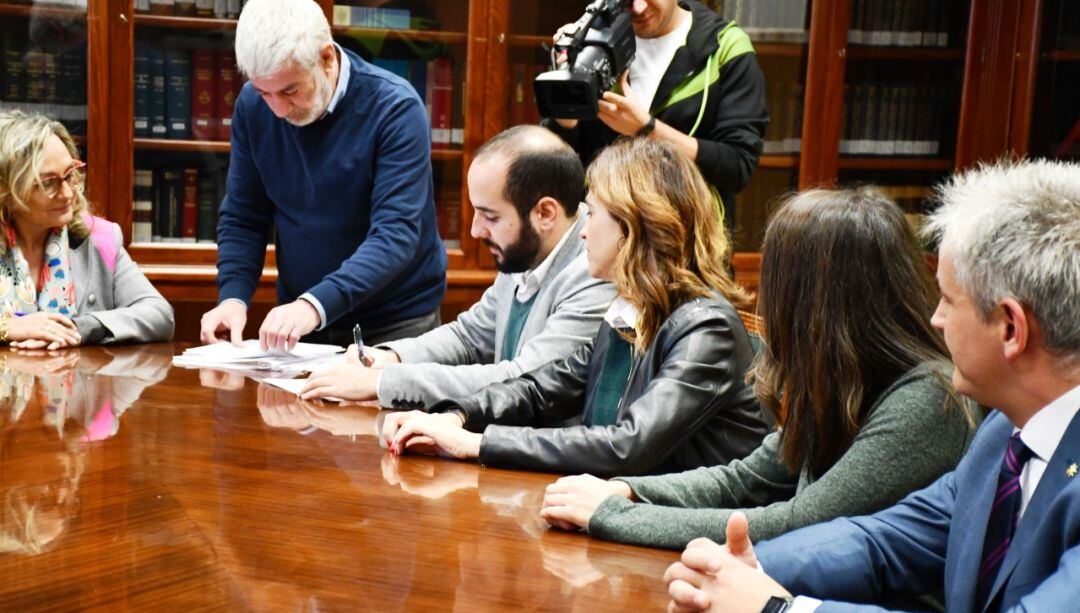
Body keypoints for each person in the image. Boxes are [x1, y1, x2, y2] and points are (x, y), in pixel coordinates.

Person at [663, 159, 1080, 613]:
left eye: (947, 299)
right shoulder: (1003, 433)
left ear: (1011, 328)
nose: (934, 319)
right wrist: (746, 568)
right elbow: (885, 541)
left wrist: (781, 609)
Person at [540, 187, 980, 550]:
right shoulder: (846, 375)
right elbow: (746, 479)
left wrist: (616, 516)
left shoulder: (927, 397)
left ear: (811, 300)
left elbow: (802, 522)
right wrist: (630, 491)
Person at [379, 137, 769, 477]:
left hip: (701, 536)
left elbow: (626, 446)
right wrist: (455, 415)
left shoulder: (706, 328)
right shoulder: (632, 310)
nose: (582, 229)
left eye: (593, 213)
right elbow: (541, 388)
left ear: (634, 228)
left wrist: (478, 443)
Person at [298, 126, 616, 407]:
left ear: (545, 213)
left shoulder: (597, 273)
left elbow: (525, 380)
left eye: (490, 217)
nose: (476, 231)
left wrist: (383, 382)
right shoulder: (528, 246)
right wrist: (391, 357)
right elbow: (469, 336)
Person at [199, 0, 446, 351]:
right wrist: (233, 298)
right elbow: (244, 215)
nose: (278, 109)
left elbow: (395, 235)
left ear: (327, 58)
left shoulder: (395, 108)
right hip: (302, 320)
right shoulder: (253, 107)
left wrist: (314, 304)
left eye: (290, 90)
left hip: (394, 322)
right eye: (264, 92)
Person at [545, 0, 768, 227]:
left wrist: (646, 129)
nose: (639, 8)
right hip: (604, 239)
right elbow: (555, 174)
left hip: (691, 241)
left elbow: (738, 166)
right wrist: (565, 109)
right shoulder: (592, 44)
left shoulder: (726, 46)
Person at [0, 110, 173, 349]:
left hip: (79, 383)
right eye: (48, 182)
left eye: (69, 174)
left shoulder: (98, 237)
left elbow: (160, 315)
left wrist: (81, 327)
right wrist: (6, 328)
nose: (69, 193)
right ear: (7, 190)